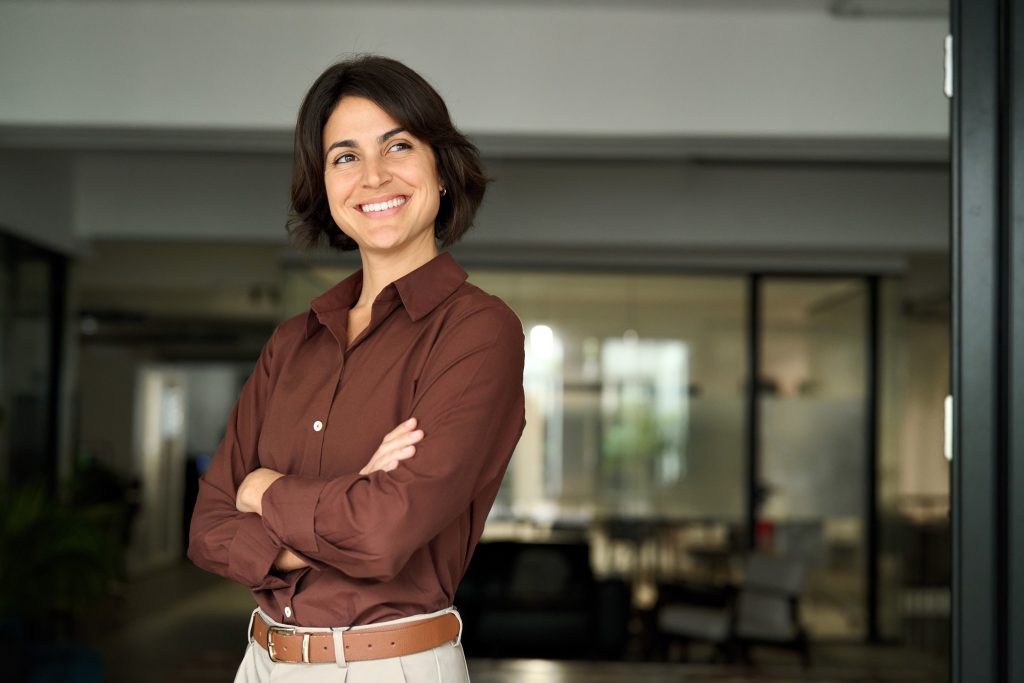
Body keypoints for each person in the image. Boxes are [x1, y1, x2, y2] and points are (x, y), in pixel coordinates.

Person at [187, 55, 527, 682]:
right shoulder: (292, 343)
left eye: (397, 146)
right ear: (325, 187)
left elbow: (382, 532)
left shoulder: (479, 332)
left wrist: (264, 491)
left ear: (441, 168)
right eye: (344, 157)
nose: (373, 177)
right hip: (260, 664)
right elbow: (208, 528)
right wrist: (343, 503)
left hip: (389, 667)